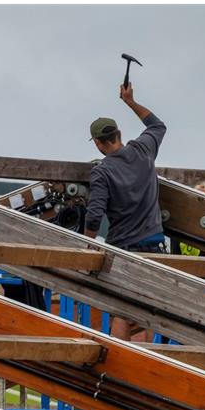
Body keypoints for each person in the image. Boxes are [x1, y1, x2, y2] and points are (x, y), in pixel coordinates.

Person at [84, 83, 166, 339]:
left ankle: (118, 369)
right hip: (155, 246)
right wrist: (130, 101)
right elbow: (157, 126)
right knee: (142, 313)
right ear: (119, 134)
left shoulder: (102, 172)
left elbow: (95, 215)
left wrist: (86, 246)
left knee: (121, 309)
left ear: (98, 143)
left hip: (125, 250)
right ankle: (142, 370)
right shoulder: (143, 150)